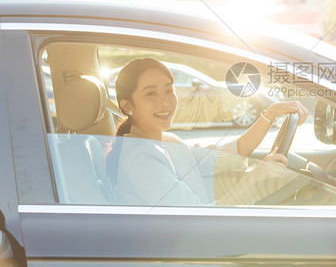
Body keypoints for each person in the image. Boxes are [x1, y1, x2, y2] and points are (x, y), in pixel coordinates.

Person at [107, 58, 308, 206]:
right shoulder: (139, 160)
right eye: (151, 93)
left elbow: (226, 155)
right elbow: (198, 219)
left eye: (169, 90)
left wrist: (269, 115)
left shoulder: (169, 141)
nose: (165, 101)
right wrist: (255, 178)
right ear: (127, 106)